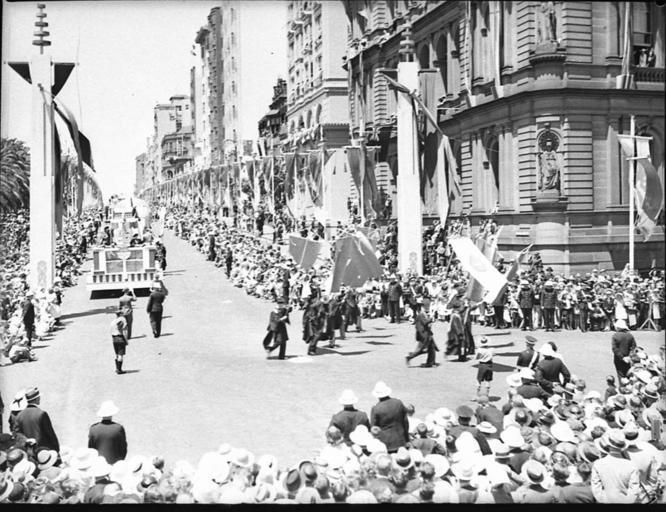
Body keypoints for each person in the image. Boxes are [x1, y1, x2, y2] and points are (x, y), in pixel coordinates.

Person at [15, 387, 60, 452]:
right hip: (41, 451)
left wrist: (26, 441)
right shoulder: (42, 414)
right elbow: (50, 434)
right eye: (39, 397)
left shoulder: (19, 415)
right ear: (36, 399)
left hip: (28, 451)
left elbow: (17, 433)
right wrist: (56, 448)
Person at [370, 381, 409, 453]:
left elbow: (374, 429)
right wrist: (407, 439)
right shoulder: (398, 403)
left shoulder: (376, 408)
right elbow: (405, 422)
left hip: (385, 443)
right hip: (401, 441)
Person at [88, 400, 128, 465]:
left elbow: (91, 449)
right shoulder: (118, 428)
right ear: (112, 413)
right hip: (115, 464)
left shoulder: (93, 429)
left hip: (98, 464)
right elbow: (123, 449)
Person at [405, 300, 438, 368]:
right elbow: (425, 322)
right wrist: (431, 318)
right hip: (423, 335)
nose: (427, 308)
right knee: (420, 350)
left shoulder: (424, 314)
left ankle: (431, 362)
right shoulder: (421, 314)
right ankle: (409, 357)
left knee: (432, 349)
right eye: (426, 306)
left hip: (428, 334)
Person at [110, 310, 128, 374]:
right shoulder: (122, 320)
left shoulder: (113, 322)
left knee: (117, 354)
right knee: (120, 354)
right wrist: (126, 340)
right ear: (120, 314)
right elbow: (124, 331)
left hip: (114, 338)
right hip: (120, 338)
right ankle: (119, 369)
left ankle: (117, 368)